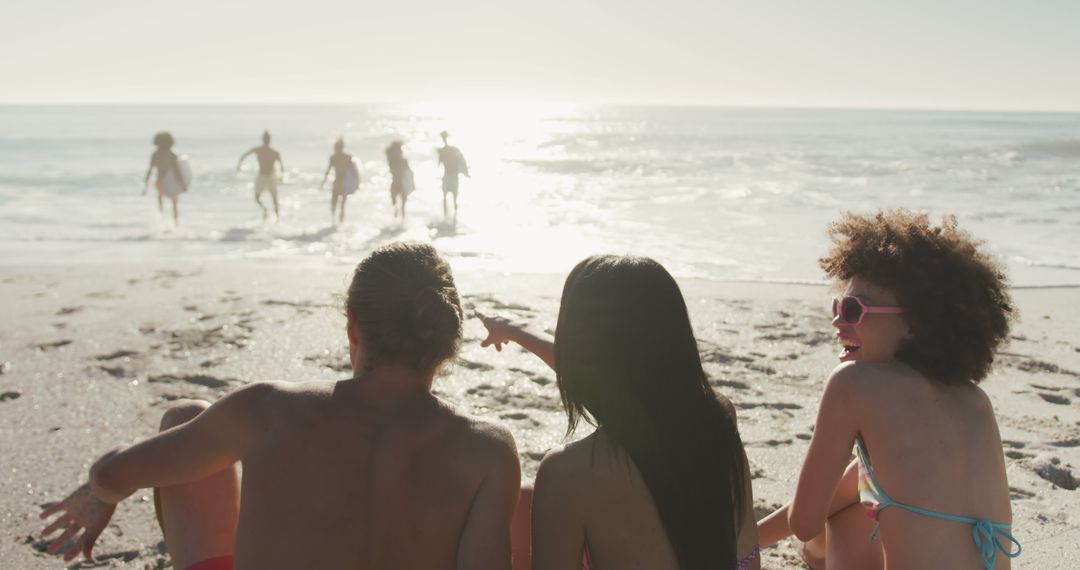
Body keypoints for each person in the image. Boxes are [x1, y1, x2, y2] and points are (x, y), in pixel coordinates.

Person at [39, 242, 522, 570]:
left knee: (187, 422)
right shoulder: (489, 448)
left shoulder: (267, 409)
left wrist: (99, 489)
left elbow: (115, 476)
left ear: (354, 326)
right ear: (445, 335)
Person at [756, 210, 1021, 570]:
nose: (837, 320)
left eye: (854, 309)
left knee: (844, 521)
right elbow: (853, 485)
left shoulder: (854, 383)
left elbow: (804, 523)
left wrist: (810, 550)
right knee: (859, 500)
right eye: (837, 306)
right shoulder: (975, 399)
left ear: (914, 324)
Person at [477, 255, 760, 570]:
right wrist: (515, 331)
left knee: (524, 502)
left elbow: (587, 370)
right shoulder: (718, 418)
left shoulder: (569, 471)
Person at [236, 130, 284, 221]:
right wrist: (239, 165)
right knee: (257, 197)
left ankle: (277, 219)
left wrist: (281, 177)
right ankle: (265, 209)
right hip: (261, 176)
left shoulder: (274, 152)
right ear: (263, 139)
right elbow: (244, 155)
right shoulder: (258, 150)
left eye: (267, 138)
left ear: (269, 140)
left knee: (274, 199)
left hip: (271, 176)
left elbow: (282, 166)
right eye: (265, 138)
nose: (266, 140)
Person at [143, 132, 187, 225]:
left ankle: (161, 224)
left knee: (160, 203)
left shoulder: (155, 154)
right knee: (174, 205)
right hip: (171, 182)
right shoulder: (172, 154)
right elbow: (177, 171)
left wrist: (145, 186)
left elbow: (150, 170)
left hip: (160, 181)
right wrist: (183, 184)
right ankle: (176, 224)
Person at [437, 131, 469, 220]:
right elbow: (462, 162)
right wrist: (466, 173)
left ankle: (447, 218)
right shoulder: (453, 150)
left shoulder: (442, 151)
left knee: (446, 198)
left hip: (448, 176)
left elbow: (439, 165)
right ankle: (453, 219)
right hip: (452, 176)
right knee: (453, 198)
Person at [320, 138, 353, 224]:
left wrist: (323, 183)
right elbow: (353, 172)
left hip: (337, 183)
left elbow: (328, 171)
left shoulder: (333, 157)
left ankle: (333, 222)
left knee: (334, 203)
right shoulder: (348, 157)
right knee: (342, 206)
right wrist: (355, 183)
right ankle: (339, 225)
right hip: (345, 184)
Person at [385, 140, 413, 220]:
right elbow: (410, 172)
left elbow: (410, 172)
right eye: (400, 149)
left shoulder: (399, 161)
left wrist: (413, 183)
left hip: (400, 184)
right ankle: (398, 220)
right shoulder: (392, 161)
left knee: (400, 205)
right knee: (396, 204)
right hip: (397, 184)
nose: (401, 151)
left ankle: (401, 221)